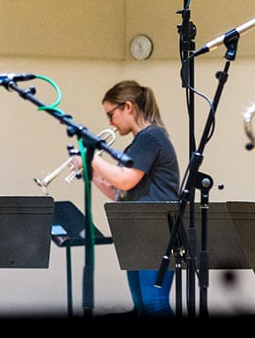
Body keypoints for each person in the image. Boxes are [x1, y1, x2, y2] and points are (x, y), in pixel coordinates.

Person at [70, 80, 181, 316]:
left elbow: (125, 179)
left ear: (128, 107)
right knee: (141, 306)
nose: (110, 122)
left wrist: (91, 158)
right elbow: (121, 192)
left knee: (154, 304)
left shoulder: (151, 138)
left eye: (111, 114)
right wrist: (93, 176)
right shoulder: (140, 142)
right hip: (139, 231)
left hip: (156, 231)